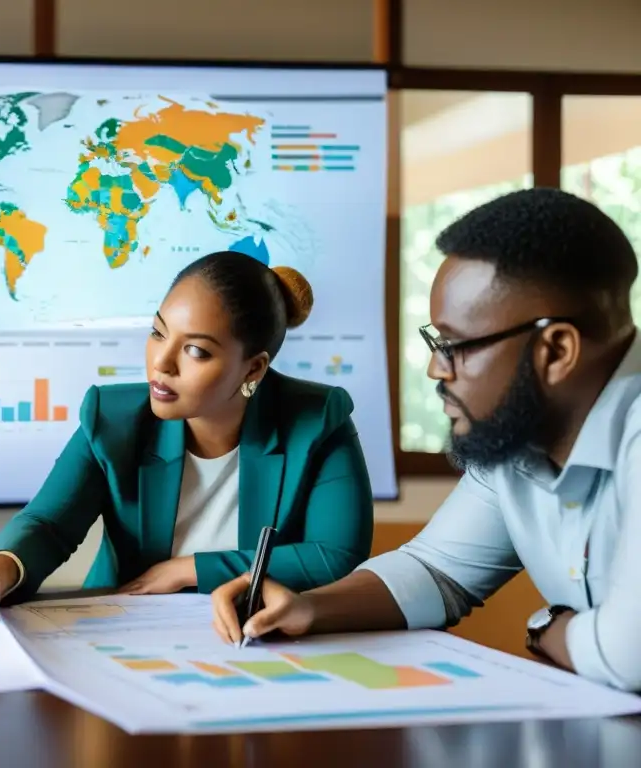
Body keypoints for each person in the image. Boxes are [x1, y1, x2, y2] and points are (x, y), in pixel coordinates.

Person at [211, 188, 641, 692]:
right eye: (435, 342)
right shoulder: (519, 438)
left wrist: (547, 626)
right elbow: (437, 569)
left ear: (556, 350)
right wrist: (307, 607)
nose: (436, 368)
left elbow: (627, 655)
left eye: (455, 345)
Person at [0, 250, 375, 619]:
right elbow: (48, 524)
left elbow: (334, 555)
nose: (161, 364)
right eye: (157, 333)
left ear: (254, 368)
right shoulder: (112, 418)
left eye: (196, 351)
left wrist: (190, 569)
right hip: (123, 630)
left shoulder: (319, 419)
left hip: (251, 642)